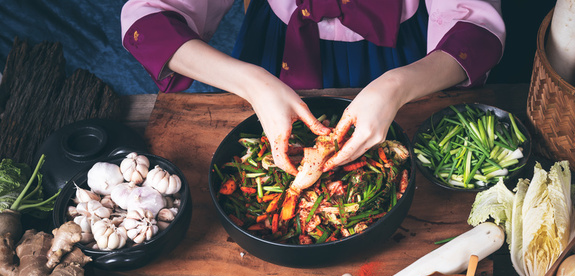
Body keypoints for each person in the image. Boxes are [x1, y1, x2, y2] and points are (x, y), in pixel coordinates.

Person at [121, 0, 505, 174]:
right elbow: (149, 21)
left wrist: (397, 86)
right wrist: (254, 84)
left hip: (406, 59)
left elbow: (475, 30)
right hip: (276, 54)